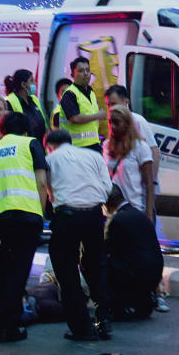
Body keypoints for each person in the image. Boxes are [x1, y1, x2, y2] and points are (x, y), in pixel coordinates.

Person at [0, 112, 49, 342]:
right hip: (25, 215)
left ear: (2, 131)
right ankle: (9, 326)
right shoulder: (30, 143)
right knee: (18, 272)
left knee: (2, 269)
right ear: (27, 130)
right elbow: (41, 181)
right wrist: (41, 214)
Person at [44, 129, 112, 341]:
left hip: (67, 216)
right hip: (94, 214)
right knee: (96, 266)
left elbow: (47, 190)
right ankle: (104, 318)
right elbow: (108, 187)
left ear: (49, 146)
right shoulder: (94, 156)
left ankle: (82, 328)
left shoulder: (50, 159)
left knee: (66, 271)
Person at [104, 184, 164, 320]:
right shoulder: (138, 215)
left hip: (136, 276)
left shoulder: (117, 220)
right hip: (154, 274)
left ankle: (116, 306)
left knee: (100, 264)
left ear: (107, 203)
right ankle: (142, 301)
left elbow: (105, 249)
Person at [105, 104, 155, 222]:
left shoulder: (141, 147)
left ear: (127, 124)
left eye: (117, 122)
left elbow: (149, 184)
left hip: (134, 209)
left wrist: (149, 213)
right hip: (111, 212)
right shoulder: (107, 146)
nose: (112, 126)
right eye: (110, 122)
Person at [59, 57, 106, 151]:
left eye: (88, 70)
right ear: (73, 74)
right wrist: (98, 115)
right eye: (81, 71)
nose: (85, 74)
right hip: (76, 146)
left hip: (93, 144)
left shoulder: (91, 92)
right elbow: (75, 118)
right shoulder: (70, 93)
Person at [4, 69, 49, 148]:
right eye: (32, 81)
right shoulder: (10, 102)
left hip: (40, 146)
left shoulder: (34, 99)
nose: (35, 83)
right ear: (24, 85)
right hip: (23, 148)